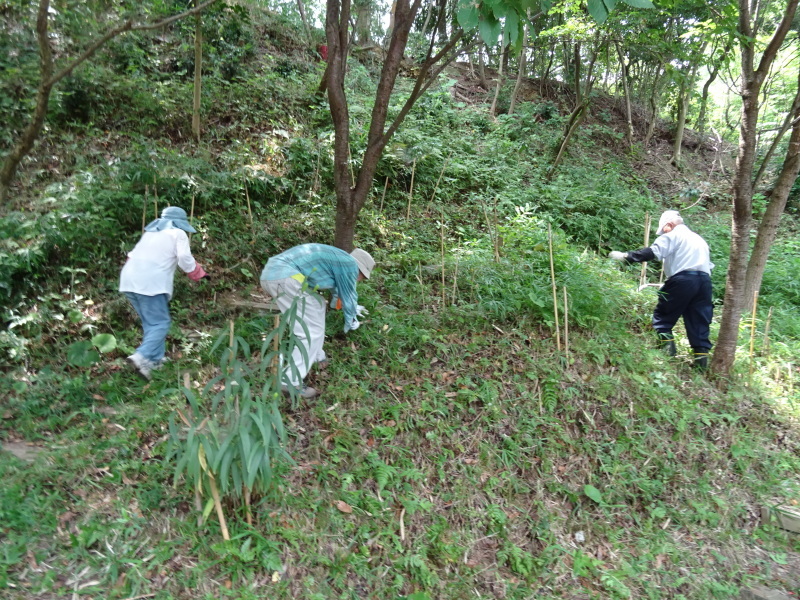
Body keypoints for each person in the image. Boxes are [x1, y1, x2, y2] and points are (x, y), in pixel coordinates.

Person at [260, 244, 375, 399]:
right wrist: (352, 318)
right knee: (309, 332)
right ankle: (290, 380)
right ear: (360, 269)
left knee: (318, 303)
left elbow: (338, 294)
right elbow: (348, 295)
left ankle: (316, 356)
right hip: (285, 277)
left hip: (274, 274)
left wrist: (351, 307)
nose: (360, 280)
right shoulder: (350, 265)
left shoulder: (339, 261)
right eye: (363, 277)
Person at [609, 210, 714, 369]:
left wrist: (627, 257)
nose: (663, 233)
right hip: (705, 282)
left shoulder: (674, 235)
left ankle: (666, 357)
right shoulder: (699, 239)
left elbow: (654, 252)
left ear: (670, 225)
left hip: (683, 279)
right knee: (699, 321)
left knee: (663, 317)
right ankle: (701, 367)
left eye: (664, 230)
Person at [119, 206, 208, 380]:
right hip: (151, 284)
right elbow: (184, 258)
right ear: (179, 223)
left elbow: (131, 256)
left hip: (129, 280)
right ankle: (141, 356)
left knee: (151, 324)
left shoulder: (150, 234)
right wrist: (198, 273)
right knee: (161, 324)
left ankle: (154, 361)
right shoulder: (177, 233)